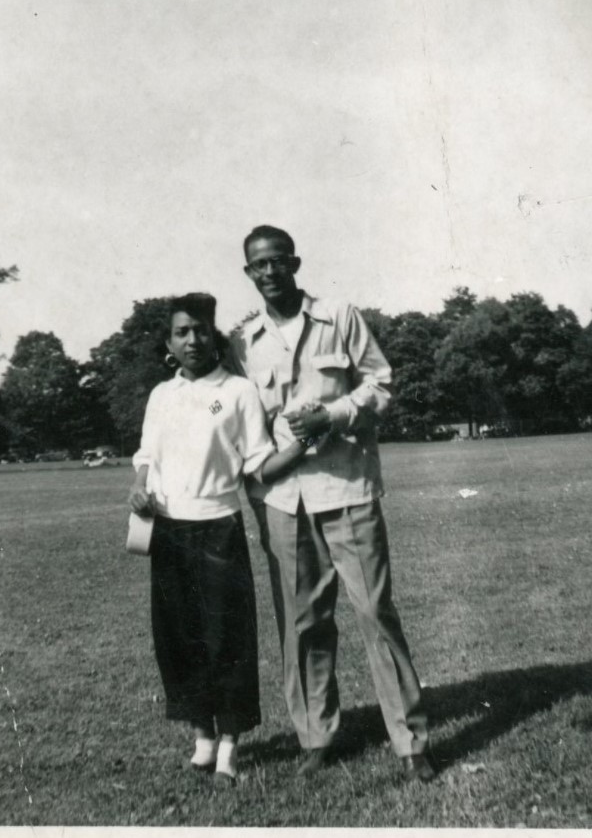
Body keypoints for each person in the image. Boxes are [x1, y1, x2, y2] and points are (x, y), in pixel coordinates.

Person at [230, 225, 435, 783]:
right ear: (248, 274)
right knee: (301, 624)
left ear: (294, 263)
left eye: (277, 261)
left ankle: (410, 740)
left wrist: (333, 414)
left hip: (346, 490)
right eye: (258, 265)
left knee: (374, 613)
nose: (269, 272)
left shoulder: (339, 316)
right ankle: (316, 736)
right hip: (280, 500)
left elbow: (382, 383)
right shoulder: (244, 342)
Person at [129, 292, 311, 786]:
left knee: (224, 640)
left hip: (218, 529)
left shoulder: (237, 391)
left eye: (200, 330)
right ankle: (202, 738)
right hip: (167, 532)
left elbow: (258, 462)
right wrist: (140, 486)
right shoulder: (161, 395)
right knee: (178, 639)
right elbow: (146, 454)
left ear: (214, 336)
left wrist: (305, 445)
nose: (192, 340)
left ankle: (230, 744)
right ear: (168, 341)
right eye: (181, 332)